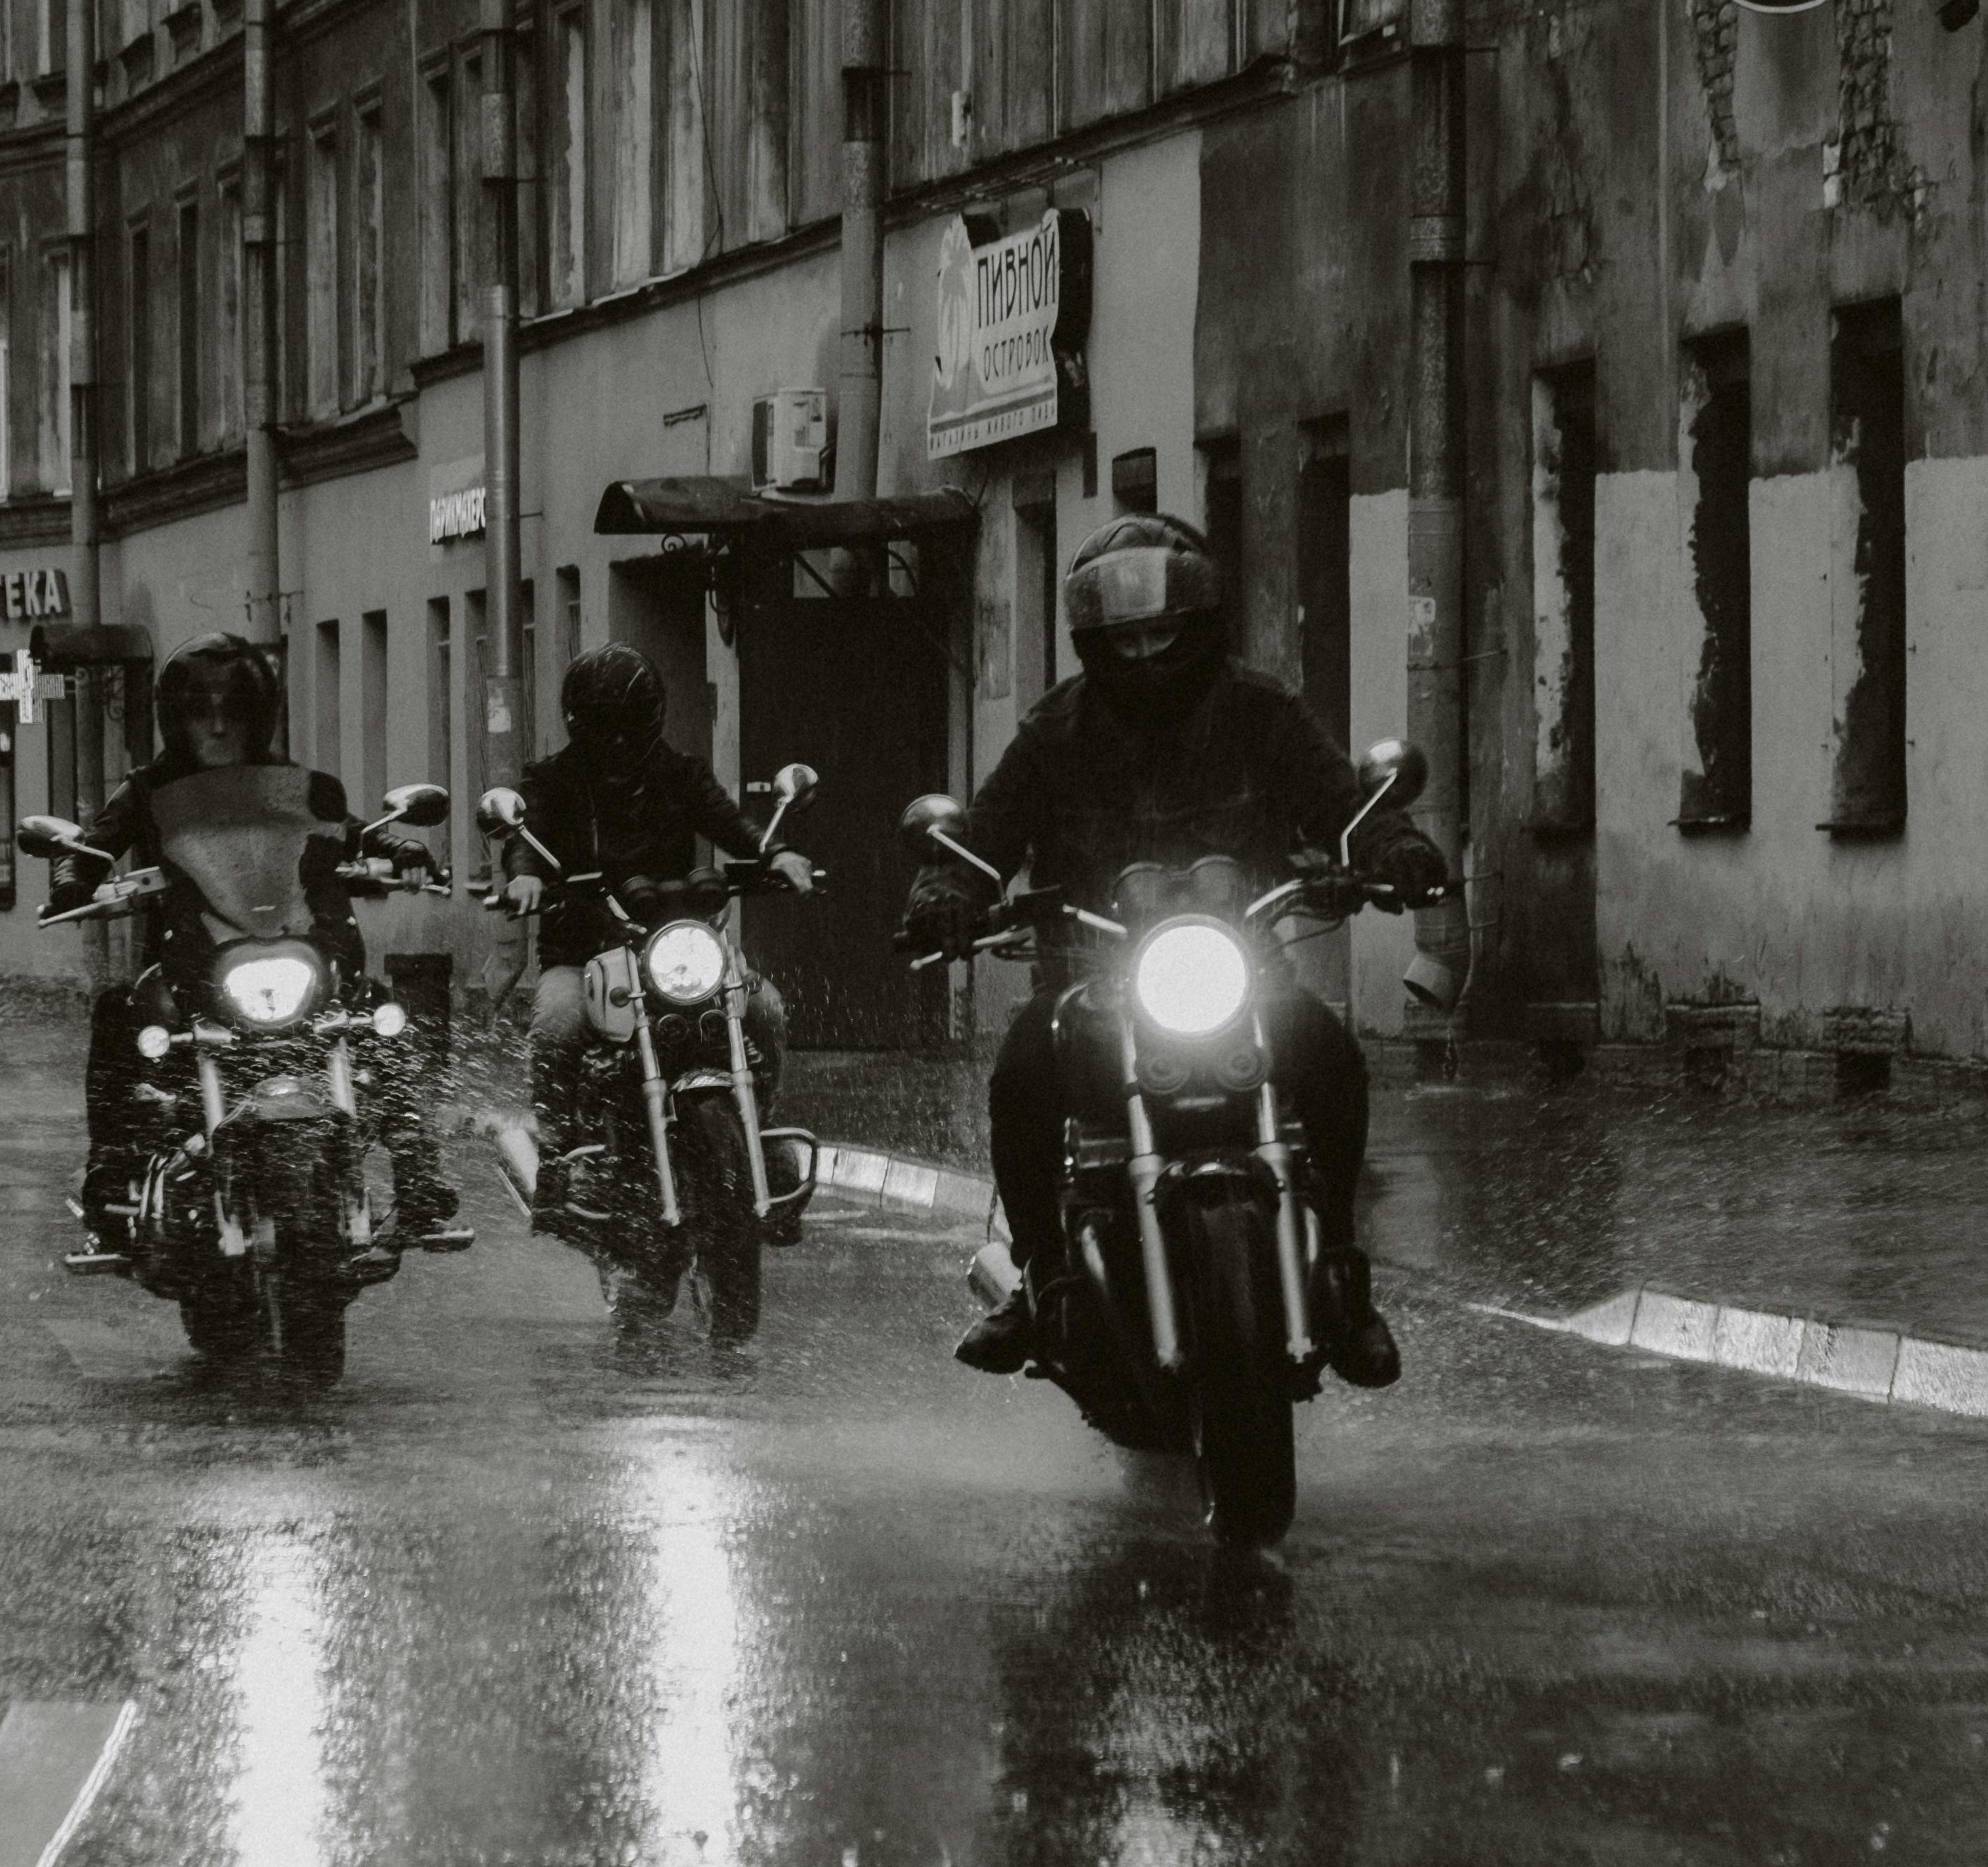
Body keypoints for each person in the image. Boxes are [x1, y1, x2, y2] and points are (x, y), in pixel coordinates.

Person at [900, 510, 1446, 1389]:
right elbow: (985, 839)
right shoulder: (1053, 732)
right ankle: (1040, 1286)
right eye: (1127, 638)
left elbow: (1336, 798)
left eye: (1163, 631)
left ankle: (1342, 1274)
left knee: (1332, 1059)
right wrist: (947, 895)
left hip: (1240, 973)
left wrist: (1390, 848)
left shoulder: (1258, 709)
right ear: (1092, 640)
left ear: (1197, 625)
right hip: (1092, 980)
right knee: (1019, 1078)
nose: (1147, 653)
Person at [78, 632, 470, 1248]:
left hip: (296, 949)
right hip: (195, 962)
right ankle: (110, 1169)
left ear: (257, 716)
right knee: (119, 1013)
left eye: (232, 709)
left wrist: (397, 848)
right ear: (175, 718)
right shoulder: (149, 788)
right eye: (201, 710)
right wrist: (71, 876)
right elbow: (96, 841)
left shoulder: (294, 784)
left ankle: (417, 1169)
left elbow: (347, 829)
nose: (217, 724)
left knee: (379, 1014)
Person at [503, 646, 817, 1150]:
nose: (618, 740)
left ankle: (760, 1121)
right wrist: (526, 876)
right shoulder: (552, 779)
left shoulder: (680, 772)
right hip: (584, 952)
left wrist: (774, 853)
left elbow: (727, 821)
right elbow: (526, 835)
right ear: (580, 723)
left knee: (766, 1009)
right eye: (606, 727)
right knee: (557, 1024)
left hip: (677, 947)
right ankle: (558, 1147)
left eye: (628, 725)